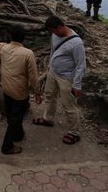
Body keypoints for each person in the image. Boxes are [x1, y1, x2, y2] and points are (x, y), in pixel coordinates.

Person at [0, 27, 42, 155]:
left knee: (11, 114)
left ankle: (18, 135)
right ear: (23, 39)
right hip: (20, 93)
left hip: (6, 89)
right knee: (16, 118)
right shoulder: (28, 53)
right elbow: (33, 77)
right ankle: (7, 146)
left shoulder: (3, 48)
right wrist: (37, 92)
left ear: (11, 37)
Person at [33, 16, 86, 145]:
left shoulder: (76, 43)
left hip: (67, 78)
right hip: (53, 73)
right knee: (49, 95)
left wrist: (77, 85)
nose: (53, 34)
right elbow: (53, 51)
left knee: (69, 105)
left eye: (54, 31)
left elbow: (81, 65)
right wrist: (50, 67)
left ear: (60, 27)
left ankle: (74, 132)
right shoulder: (55, 35)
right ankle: (48, 118)